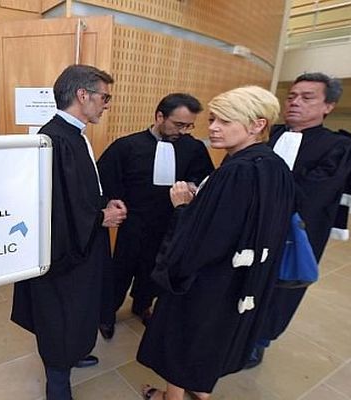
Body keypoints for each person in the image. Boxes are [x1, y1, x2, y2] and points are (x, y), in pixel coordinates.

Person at [137, 86, 295, 400]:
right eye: (212, 119)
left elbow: (203, 240)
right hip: (241, 280)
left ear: (257, 125)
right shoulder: (274, 165)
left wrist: (183, 207)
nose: (213, 127)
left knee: (187, 334)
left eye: (225, 120)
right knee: (214, 337)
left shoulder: (235, 171)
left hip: (209, 280)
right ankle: (200, 390)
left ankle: (171, 397)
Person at [10, 64, 127, 400]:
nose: (107, 104)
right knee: (61, 314)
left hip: (83, 245)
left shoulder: (73, 135)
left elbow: (80, 192)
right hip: (63, 253)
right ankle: (57, 383)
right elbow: (53, 210)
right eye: (104, 97)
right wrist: (98, 218)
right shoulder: (53, 140)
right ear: (82, 95)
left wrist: (104, 204)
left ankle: (73, 353)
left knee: (79, 309)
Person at [245, 72, 351, 369]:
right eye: (291, 96)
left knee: (280, 288)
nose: (295, 103)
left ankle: (259, 341)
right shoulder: (268, 133)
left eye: (307, 98)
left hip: (294, 231)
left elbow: (315, 193)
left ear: (328, 106)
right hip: (251, 225)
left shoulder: (338, 147)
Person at [96, 93, 214, 339]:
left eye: (188, 125)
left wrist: (193, 187)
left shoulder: (193, 148)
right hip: (134, 222)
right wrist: (111, 203)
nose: (183, 131)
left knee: (156, 269)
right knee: (121, 270)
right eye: (178, 124)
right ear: (160, 116)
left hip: (170, 223)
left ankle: (142, 305)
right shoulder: (127, 146)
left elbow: (204, 178)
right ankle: (107, 313)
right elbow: (104, 179)